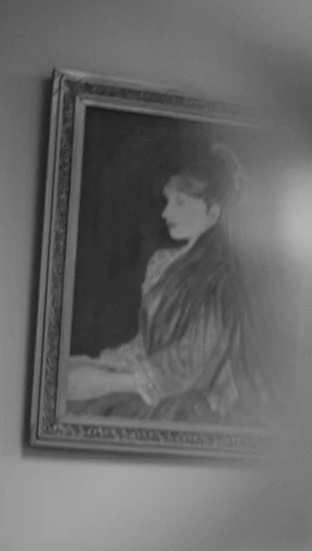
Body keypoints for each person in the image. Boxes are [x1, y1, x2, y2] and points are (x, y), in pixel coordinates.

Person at [65, 143, 277, 426]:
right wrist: (103, 365)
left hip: (195, 402)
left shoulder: (222, 277)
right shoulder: (162, 262)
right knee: (64, 374)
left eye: (180, 203)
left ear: (213, 213)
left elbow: (192, 362)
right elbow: (147, 345)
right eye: (168, 201)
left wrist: (107, 382)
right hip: (153, 382)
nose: (165, 213)